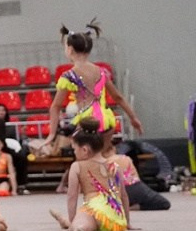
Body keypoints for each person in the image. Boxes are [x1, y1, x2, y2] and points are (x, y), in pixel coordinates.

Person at [46, 22, 143, 153]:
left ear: (69, 50)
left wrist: (52, 134)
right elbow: (118, 97)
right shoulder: (102, 72)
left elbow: (56, 106)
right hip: (106, 121)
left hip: (87, 124)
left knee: (85, 165)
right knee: (103, 159)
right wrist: (133, 118)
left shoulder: (68, 75)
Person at [49, 118, 131, 231]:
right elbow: (123, 195)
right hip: (116, 218)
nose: (74, 153)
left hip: (94, 211)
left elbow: (72, 196)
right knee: (86, 219)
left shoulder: (77, 166)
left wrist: (73, 221)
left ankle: (77, 227)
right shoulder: (115, 166)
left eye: (74, 149)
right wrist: (127, 222)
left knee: (83, 221)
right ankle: (65, 222)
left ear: (84, 150)